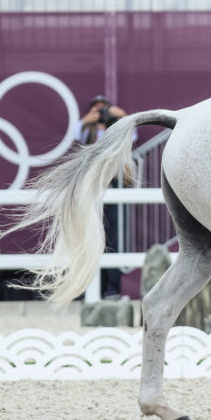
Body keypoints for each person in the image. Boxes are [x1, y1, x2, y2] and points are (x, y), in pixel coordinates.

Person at [74, 95, 129, 298]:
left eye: (104, 109)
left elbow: (133, 137)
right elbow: (76, 133)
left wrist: (121, 117)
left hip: (112, 184)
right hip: (90, 185)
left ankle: (111, 289)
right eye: (96, 109)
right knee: (88, 235)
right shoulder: (87, 130)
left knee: (112, 237)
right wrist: (88, 120)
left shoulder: (118, 130)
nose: (101, 114)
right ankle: (86, 290)